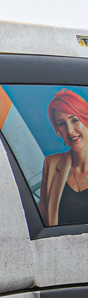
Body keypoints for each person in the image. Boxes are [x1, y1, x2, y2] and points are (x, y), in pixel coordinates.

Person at [40, 88, 88, 227]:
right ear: (57, 131)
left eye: (74, 120)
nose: (70, 130)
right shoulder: (51, 164)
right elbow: (44, 220)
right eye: (62, 124)